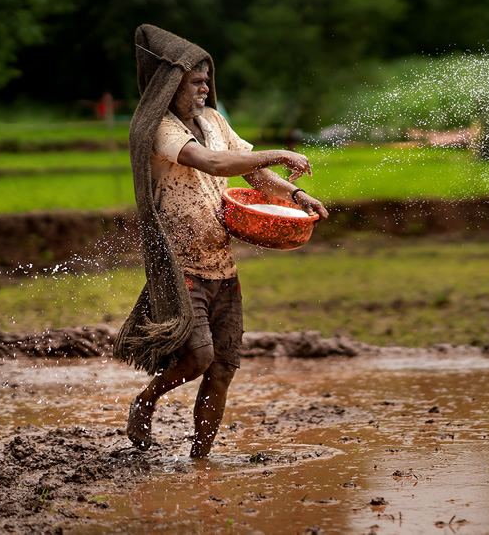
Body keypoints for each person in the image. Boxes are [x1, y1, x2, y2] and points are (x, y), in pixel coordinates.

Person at [114, 24, 328, 458]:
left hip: (222, 266)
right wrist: (277, 152)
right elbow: (211, 162)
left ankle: (200, 461)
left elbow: (251, 173)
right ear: (170, 84)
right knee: (199, 357)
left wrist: (297, 196)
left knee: (224, 368)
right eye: (196, 80)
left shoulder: (213, 120)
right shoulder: (161, 129)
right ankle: (145, 400)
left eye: (207, 79)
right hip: (182, 267)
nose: (205, 87)